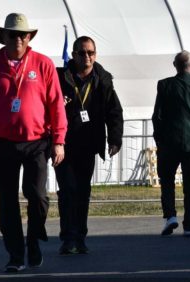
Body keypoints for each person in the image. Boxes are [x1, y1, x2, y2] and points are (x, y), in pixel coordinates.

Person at [0, 13, 67, 272]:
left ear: (29, 37)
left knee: (37, 196)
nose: (19, 39)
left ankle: (34, 240)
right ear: (3, 37)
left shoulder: (43, 64)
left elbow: (57, 104)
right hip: (2, 144)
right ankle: (15, 254)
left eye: (23, 34)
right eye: (13, 34)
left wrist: (59, 141)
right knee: (8, 202)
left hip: (37, 142)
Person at [55, 36, 124, 254]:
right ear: (73, 55)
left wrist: (114, 138)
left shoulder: (102, 80)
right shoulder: (59, 78)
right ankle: (67, 237)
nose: (87, 57)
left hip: (88, 145)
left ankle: (80, 237)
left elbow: (114, 111)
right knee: (67, 191)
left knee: (83, 192)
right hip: (63, 145)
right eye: (82, 53)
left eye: (91, 53)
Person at [152, 50, 190, 238]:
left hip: (169, 142)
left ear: (174, 65)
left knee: (167, 181)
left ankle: (170, 215)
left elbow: (157, 115)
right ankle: (189, 225)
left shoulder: (164, 85)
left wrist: (159, 137)